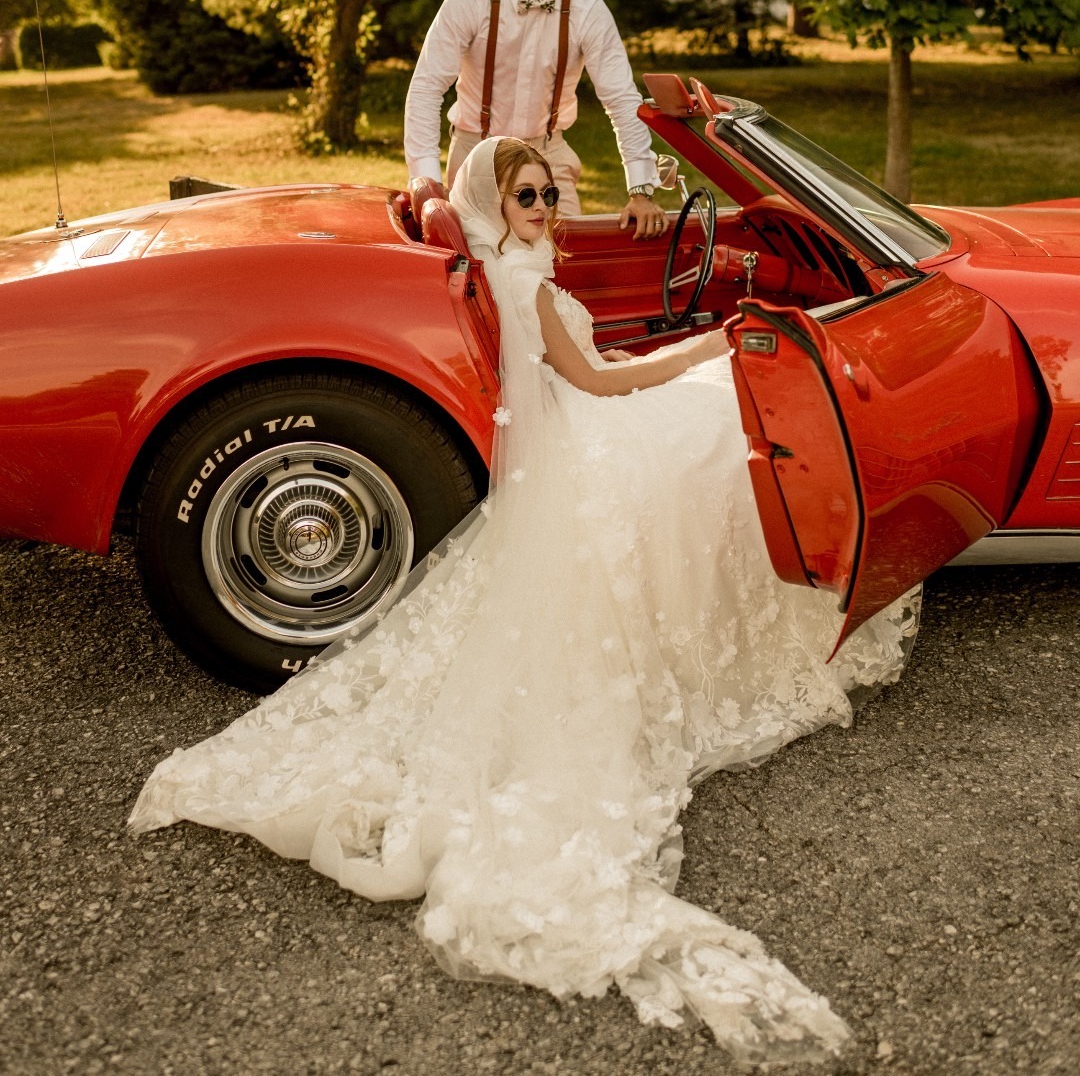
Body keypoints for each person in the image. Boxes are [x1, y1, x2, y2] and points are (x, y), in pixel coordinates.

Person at [129, 138, 920, 1065]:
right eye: (528, 194)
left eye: (551, 191)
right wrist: (707, 345)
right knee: (721, 415)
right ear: (496, 202)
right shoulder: (530, 284)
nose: (546, 205)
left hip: (566, 433)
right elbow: (597, 381)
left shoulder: (518, 265)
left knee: (713, 411)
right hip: (585, 432)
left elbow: (578, 367)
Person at [404, 0, 668, 239]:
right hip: (475, 156)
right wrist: (427, 185)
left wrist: (641, 190)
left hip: (549, 157)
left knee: (565, 263)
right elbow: (426, 89)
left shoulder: (588, 9)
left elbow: (621, 99)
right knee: (473, 273)